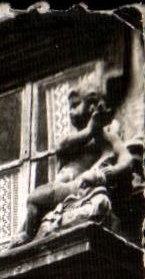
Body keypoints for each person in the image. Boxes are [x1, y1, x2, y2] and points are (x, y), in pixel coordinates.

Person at [12, 86, 135, 244]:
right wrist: (90, 129)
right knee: (34, 201)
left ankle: (27, 235)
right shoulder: (76, 139)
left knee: (34, 198)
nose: (70, 112)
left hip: (75, 188)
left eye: (75, 105)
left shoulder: (108, 138)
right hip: (62, 189)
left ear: (91, 107)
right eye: (69, 108)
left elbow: (127, 159)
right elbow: (62, 146)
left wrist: (111, 170)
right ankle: (26, 234)